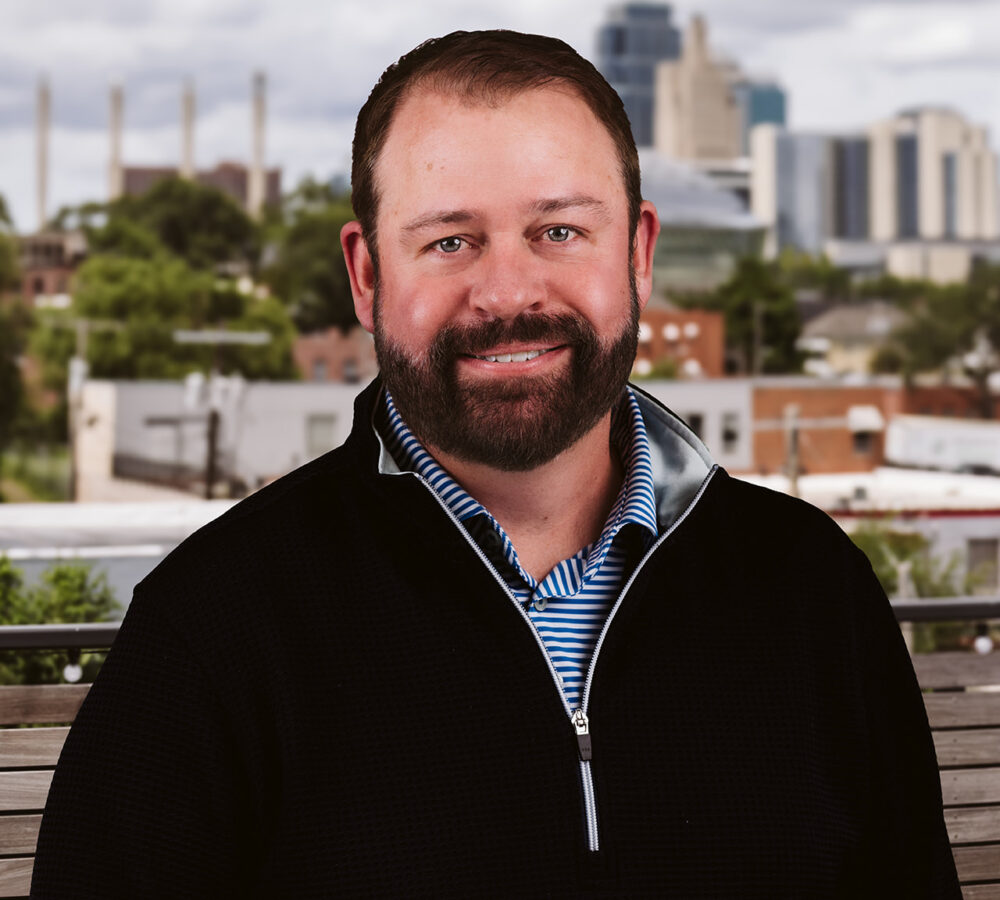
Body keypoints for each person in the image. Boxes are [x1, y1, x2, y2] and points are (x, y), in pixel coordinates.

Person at [32, 30, 960, 898]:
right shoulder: (209, 633)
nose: (508, 293)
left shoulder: (812, 590)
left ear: (637, 254)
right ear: (366, 276)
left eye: (559, 231)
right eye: (450, 240)